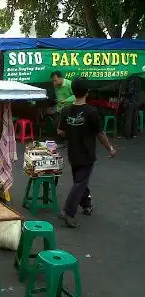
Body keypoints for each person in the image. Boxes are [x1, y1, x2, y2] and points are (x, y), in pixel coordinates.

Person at [57, 77, 116, 228]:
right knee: (80, 183)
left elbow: (60, 131)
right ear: (87, 92)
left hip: (73, 153)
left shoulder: (65, 111)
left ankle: (86, 204)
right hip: (86, 154)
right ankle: (68, 211)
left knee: (80, 181)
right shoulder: (91, 112)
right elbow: (100, 133)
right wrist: (110, 148)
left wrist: (73, 129)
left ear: (73, 91)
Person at [51, 71, 76, 147]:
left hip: (70, 109)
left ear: (61, 78)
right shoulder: (55, 85)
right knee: (56, 124)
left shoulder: (69, 84)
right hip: (59, 109)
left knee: (70, 126)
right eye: (53, 81)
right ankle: (61, 142)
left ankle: (71, 142)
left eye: (55, 80)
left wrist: (66, 100)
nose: (54, 83)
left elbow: (76, 95)